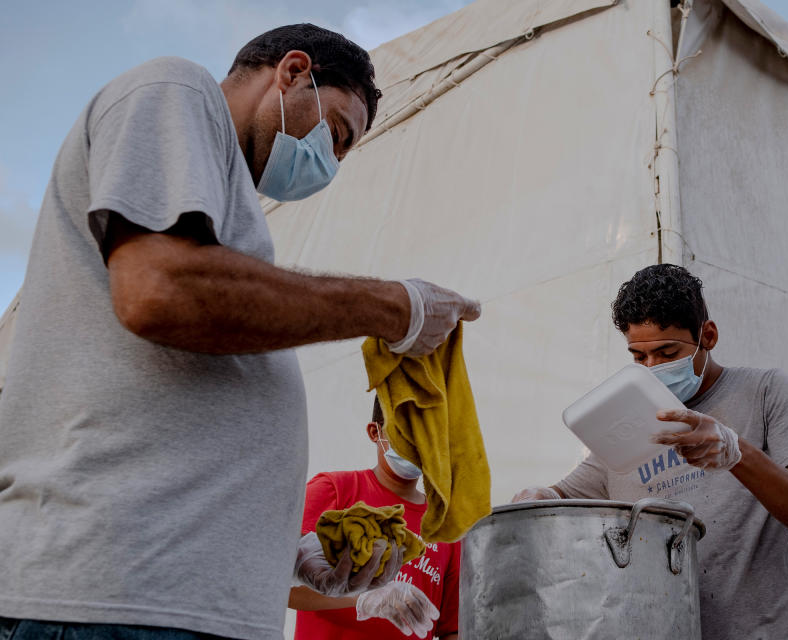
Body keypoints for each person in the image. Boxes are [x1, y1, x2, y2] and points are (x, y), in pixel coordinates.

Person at [0, 23, 479, 640]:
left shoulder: (226, 206)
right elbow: (161, 291)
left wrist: (284, 552)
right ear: (293, 73)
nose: (328, 164)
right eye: (334, 134)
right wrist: (393, 307)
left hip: (186, 606)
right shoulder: (174, 89)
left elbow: (172, 417)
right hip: (118, 604)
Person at [513, 264, 788, 640]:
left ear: (707, 335)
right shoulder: (628, 421)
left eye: (667, 353)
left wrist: (736, 453)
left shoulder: (764, 392)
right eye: (638, 357)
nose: (652, 368)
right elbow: (560, 498)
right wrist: (538, 497)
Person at [290, 397, 460, 640]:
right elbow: (277, 584)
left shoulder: (446, 526)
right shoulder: (333, 490)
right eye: (404, 430)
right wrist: (362, 599)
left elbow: (451, 630)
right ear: (375, 431)